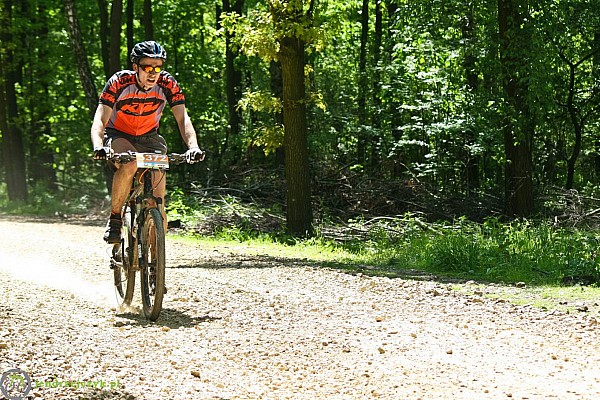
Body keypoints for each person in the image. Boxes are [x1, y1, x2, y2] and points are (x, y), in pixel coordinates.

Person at [91, 40, 204, 243]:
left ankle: (155, 256)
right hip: (119, 134)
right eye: (147, 67)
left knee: (158, 202)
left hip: (150, 137)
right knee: (130, 162)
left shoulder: (167, 83)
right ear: (135, 67)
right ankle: (115, 219)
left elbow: (183, 119)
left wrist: (193, 147)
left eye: (158, 67)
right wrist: (98, 146)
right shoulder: (119, 81)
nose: (153, 73)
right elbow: (100, 118)